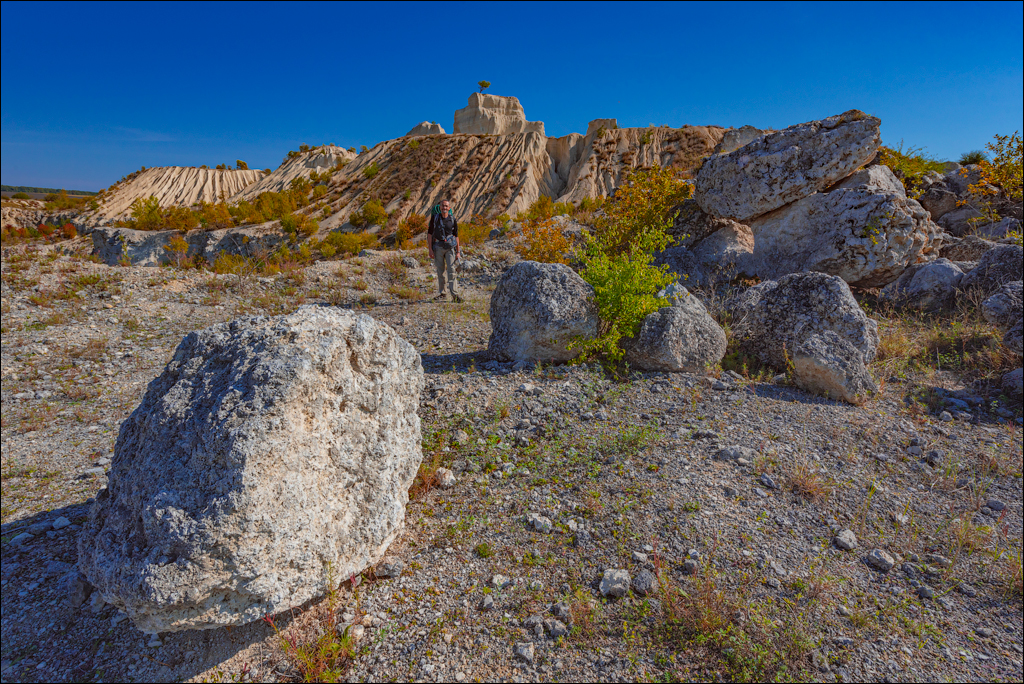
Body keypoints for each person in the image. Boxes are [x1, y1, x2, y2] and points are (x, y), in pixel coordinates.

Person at [427, 199, 462, 302]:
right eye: (443, 206)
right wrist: (430, 249)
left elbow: (456, 236)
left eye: (446, 206)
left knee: (451, 271)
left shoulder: (452, 219)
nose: (444, 208)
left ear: (449, 208)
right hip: (438, 247)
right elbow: (429, 234)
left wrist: (458, 251)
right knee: (440, 272)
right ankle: (442, 293)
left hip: (450, 248)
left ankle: (454, 295)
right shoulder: (434, 219)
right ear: (440, 207)